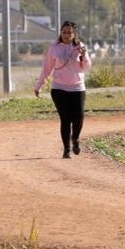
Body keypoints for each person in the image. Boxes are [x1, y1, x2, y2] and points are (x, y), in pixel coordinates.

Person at [35, 21, 92, 157]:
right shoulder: (54, 48)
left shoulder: (80, 47)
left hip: (77, 88)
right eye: (64, 32)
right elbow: (47, 68)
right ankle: (66, 150)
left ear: (74, 34)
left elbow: (87, 67)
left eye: (69, 32)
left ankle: (75, 139)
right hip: (59, 89)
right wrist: (39, 85)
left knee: (78, 117)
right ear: (60, 32)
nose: (66, 35)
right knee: (65, 119)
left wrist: (84, 56)